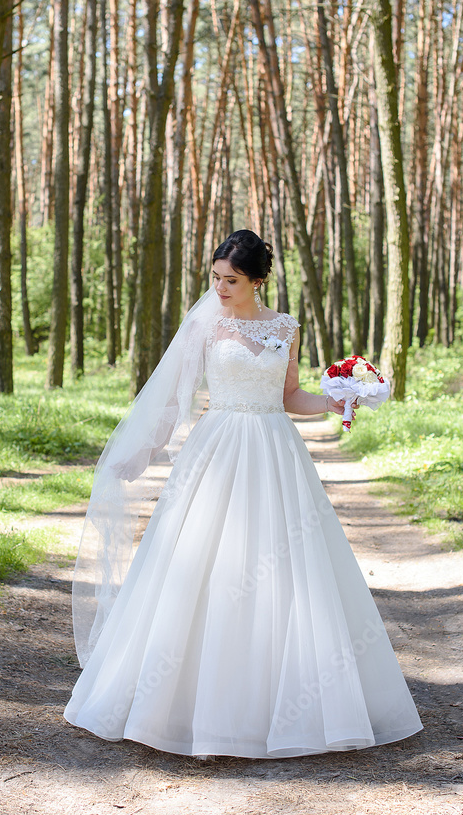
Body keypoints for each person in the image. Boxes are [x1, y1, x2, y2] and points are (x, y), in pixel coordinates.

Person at [64, 230, 422, 759]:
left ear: (257, 280)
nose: (221, 288)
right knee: (203, 564)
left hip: (275, 451)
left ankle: (289, 702)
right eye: (215, 278)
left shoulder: (285, 328)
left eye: (231, 280)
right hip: (217, 450)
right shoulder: (205, 326)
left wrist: (341, 400)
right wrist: (140, 453)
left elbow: (289, 395)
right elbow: (173, 399)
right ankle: (176, 706)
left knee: (289, 572)